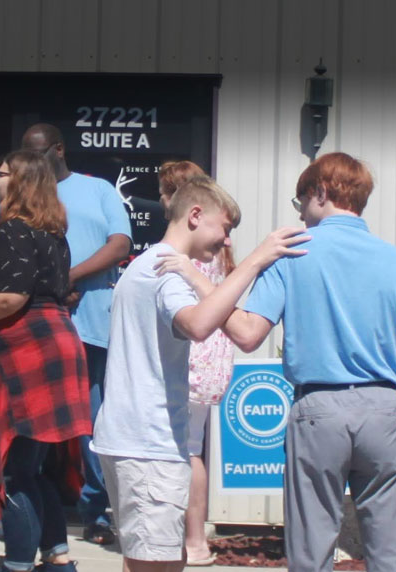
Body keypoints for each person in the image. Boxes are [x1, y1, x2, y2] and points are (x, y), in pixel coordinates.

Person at [211, 152, 396, 572]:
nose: (302, 215)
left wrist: (204, 286)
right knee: (391, 553)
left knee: (310, 550)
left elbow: (247, 334)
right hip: (384, 409)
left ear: (321, 192)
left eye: (301, 203)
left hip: (318, 410)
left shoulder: (291, 254)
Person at [92, 175, 307, 572]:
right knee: (155, 565)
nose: (226, 241)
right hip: (148, 444)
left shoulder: (153, 265)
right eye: (225, 228)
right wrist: (257, 260)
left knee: (147, 560)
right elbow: (198, 324)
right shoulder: (165, 272)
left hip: (136, 439)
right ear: (195, 215)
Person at [0, 150, 92, 572]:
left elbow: (11, 297)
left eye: (2, 173)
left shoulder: (13, 230)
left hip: (27, 349)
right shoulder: (54, 234)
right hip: (59, 343)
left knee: (14, 472)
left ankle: (19, 565)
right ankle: (58, 558)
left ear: (21, 181)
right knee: (36, 466)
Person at [0, 123, 132, 545]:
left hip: (89, 324)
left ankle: (96, 510)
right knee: (28, 430)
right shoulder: (13, 197)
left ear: (59, 150)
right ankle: (21, 513)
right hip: (30, 331)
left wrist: (66, 276)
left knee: (91, 423)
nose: (32, 162)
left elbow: (121, 244)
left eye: (39, 153)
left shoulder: (98, 190)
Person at [154, 161, 236, 566]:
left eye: (162, 194)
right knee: (194, 447)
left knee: (183, 449)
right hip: (213, 350)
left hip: (192, 350)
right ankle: (196, 539)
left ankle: (188, 539)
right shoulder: (221, 244)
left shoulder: (187, 249)